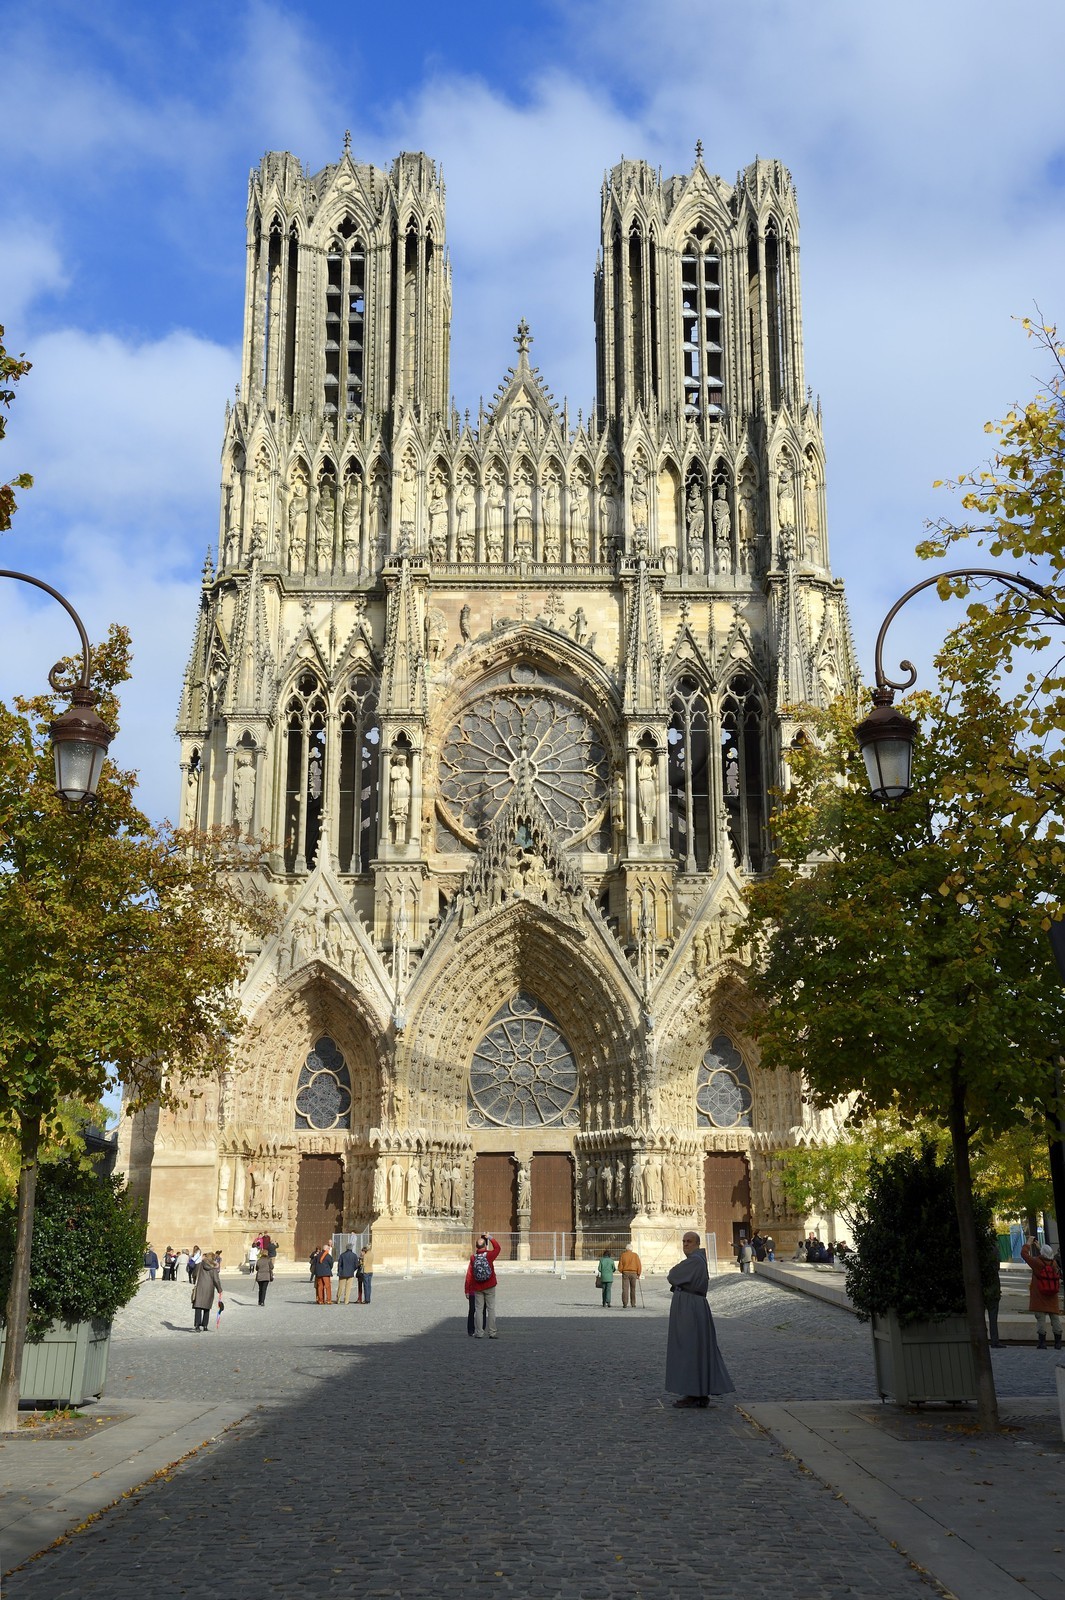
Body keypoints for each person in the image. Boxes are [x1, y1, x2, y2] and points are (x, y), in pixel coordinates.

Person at [665, 1231, 735, 1408]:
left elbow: (672, 1275)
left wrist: (676, 1275)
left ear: (697, 1244)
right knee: (695, 1348)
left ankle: (694, 1392)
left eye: (689, 1241)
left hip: (691, 1308)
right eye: (683, 1241)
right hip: (692, 1305)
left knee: (689, 1348)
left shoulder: (695, 1261)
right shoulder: (697, 1260)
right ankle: (698, 1392)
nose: (685, 1244)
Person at [1020, 1237, 1063, 1349]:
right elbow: (1047, 1256)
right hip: (1052, 1296)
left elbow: (1024, 1254)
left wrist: (1029, 1243)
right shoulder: (1054, 1264)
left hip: (1039, 1295)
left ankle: (1042, 1343)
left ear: (1042, 1253)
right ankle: (1058, 1343)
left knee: (1041, 1320)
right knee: (1055, 1318)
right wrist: (1040, 1247)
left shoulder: (1037, 1263)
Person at [465, 1232, 501, 1339]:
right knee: (491, 1309)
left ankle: (479, 1332)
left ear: (476, 1247)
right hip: (490, 1285)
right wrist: (490, 1238)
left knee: (479, 1310)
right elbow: (498, 1248)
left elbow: (470, 1274)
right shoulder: (489, 1255)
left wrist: (467, 1289)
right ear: (485, 1245)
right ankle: (492, 1332)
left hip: (478, 1287)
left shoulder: (473, 1258)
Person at [192, 1251, 223, 1332]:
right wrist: (219, 1289)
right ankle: (205, 1325)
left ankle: (197, 1325)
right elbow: (216, 1280)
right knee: (207, 1307)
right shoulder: (213, 1268)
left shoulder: (199, 1265)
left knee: (198, 1307)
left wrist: (196, 1281)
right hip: (209, 1288)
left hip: (199, 1287)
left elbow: (194, 1274)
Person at [618, 1244, 642, 1308]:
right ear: (632, 1249)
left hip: (625, 1272)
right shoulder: (635, 1255)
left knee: (625, 1289)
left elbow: (620, 1265)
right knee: (633, 1289)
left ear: (626, 1249)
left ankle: (625, 1303)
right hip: (634, 1273)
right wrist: (638, 1273)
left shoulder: (623, 1255)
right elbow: (639, 1265)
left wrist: (621, 1271)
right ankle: (633, 1303)